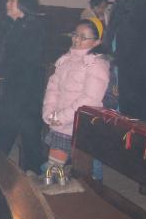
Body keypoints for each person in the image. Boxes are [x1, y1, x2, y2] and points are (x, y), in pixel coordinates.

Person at [0, 0, 46, 173]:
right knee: (26, 138)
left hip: (23, 93)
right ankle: (29, 173)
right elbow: (8, 56)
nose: (7, 4)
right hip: (17, 90)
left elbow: (24, 61)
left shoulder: (32, 28)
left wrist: (2, 70)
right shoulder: (17, 25)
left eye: (12, 1)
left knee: (9, 137)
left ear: (24, 4)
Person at [42, 20, 110, 167]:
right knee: (54, 168)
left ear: (97, 42)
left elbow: (90, 99)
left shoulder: (96, 64)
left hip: (78, 125)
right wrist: (49, 112)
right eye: (75, 35)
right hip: (59, 122)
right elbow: (53, 88)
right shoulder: (66, 60)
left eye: (83, 37)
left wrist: (62, 117)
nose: (77, 40)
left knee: (73, 170)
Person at [104, 0, 146, 121]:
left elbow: (130, 35)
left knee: (133, 105)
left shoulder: (139, 4)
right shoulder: (127, 2)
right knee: (126, 102)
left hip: (132, 61)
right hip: (125, 59)